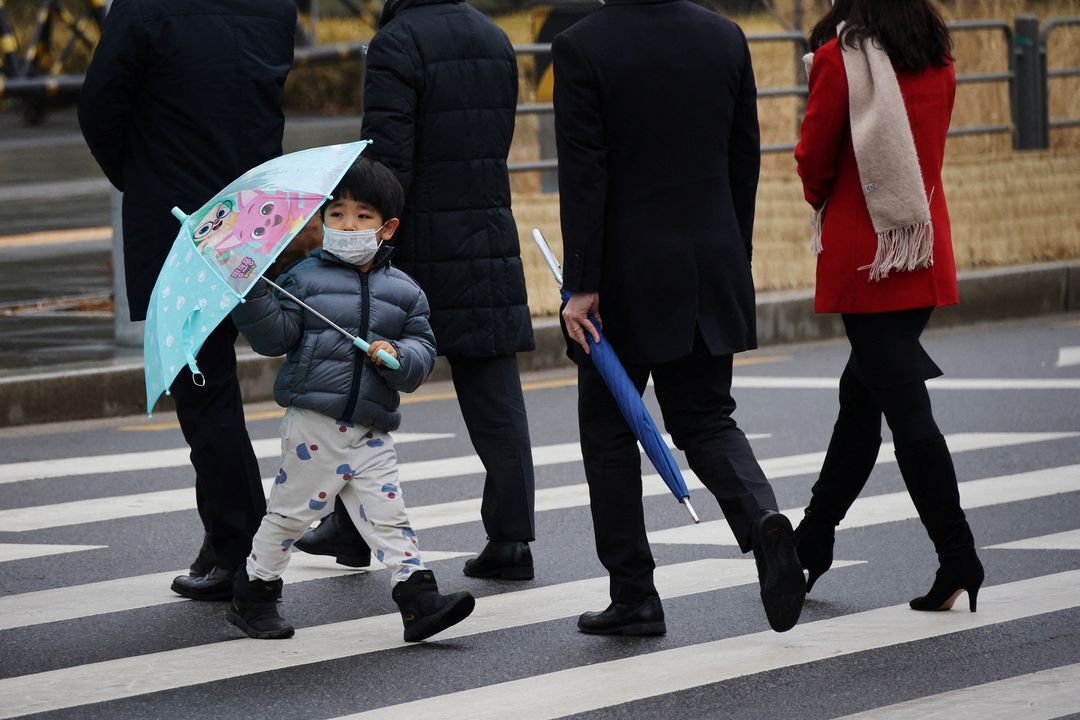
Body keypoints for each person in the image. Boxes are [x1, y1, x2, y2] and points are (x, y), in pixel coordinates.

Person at [553, 0, 805, 635]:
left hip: (624, 276)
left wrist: (580, 285)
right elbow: (743, 155)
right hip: (710, 259)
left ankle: (635, 593)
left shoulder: (582, 46)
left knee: (610, 432)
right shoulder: (724, 37)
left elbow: (587, 175)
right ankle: (762, 521)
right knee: (706, 418)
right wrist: (731, 251)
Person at [295, 0, 537, 581]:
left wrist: (363, 239)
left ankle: (351, 531)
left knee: (366, 382)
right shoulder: (493, 37)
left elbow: (387, 167)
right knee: (495, 396)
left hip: (417, 243)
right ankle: (511, 540)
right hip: (487, 235)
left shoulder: (396, 45)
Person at [77, 0, 296, 599]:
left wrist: (139, 173)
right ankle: (255, 532)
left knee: (205, 391)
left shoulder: (145, 7)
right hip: (253, 210)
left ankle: (238, 548)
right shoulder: (274, 7)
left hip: (176, 217)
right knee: (311, 366)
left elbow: (99, 104)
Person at [227, 157, 475, 641]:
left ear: (387, 228)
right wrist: (251, 292)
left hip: (371, 427)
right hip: (314, 424)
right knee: (291, 514)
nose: (348, 225)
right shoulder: (300, 280)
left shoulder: (404, 292)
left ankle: (417, 599)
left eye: (363, 216)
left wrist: (399, 355)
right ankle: (254, 591)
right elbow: (274, 338)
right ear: (321, 219)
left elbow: (423, 350)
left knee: (389, 514)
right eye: (336, 213)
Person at [793, 0, 983, 612]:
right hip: (920, 246)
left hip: (866, 258)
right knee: (861, 402)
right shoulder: (935, 55)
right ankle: (811, 542)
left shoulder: (837, 59)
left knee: (903, 410)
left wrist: (825, 195)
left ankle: (958, 556)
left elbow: (814, 159)